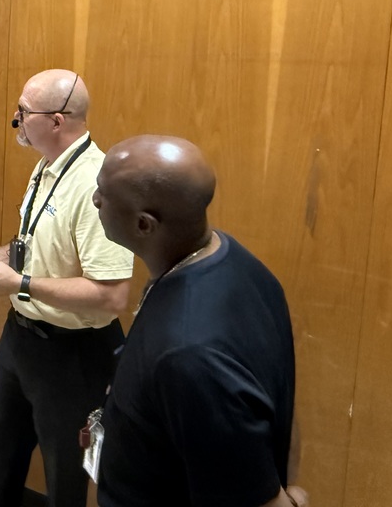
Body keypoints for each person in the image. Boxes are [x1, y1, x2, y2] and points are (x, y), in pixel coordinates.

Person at [92, 135, 308, 507]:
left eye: (103, 194)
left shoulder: (188, 355)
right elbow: (278, 403)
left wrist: (295, 498)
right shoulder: (236, 261)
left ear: (145, 224)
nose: (95, 200)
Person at [0, 69, 134, 507]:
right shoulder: (48, 166)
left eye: (23, 112)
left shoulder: (98, 184)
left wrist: (20, 281)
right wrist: (2, 256)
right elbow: (42, 245)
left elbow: (113, 294)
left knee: (64, 478)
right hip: (20, 340)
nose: (16, 119)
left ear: (57, 121)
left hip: (74, 355)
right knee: (0, 457)